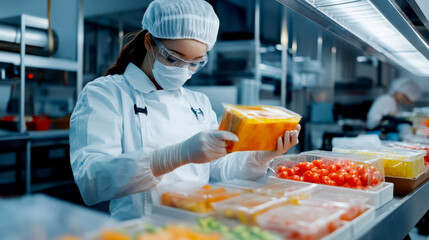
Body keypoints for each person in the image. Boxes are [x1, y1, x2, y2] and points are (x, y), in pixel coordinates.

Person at [69, 0, 300, 220]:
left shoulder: (197, 102)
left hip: (194, 225)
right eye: (173, 58)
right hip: (135, 230)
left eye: (195, 63)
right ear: (149, 42)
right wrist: (171, 157)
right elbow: (91, 180)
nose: (183, 70)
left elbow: (220, 168)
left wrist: (259, 157)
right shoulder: (106, 93)